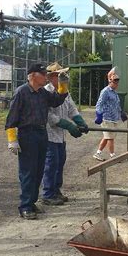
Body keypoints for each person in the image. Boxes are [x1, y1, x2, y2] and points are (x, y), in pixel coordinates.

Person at [5, 63, 69, 220]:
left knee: (39, 170)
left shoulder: (42, 92)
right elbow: (11, 119)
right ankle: (25, 206)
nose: (45, 76)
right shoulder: (21, 92)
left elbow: (57, 100)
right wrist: (12, 140)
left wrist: (63, 83)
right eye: (42, 73)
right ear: (32, 75)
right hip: (27, 135)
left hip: (41, 133)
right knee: (28, 172)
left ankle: (32, 202)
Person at [42, 62, 89, 206]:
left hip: (60, 136)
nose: (64, 78)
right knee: (51, 164)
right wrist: (68, 125)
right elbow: (49, 116)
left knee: (60, 162)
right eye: (60, 75)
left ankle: (56, 191)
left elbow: (71, 109)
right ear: (52, 77)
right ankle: (48, 194)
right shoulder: (46, 92)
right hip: (49, 135)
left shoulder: (65, 92)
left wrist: (80, 122)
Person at [93, 68, 127, 161]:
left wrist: (121, 113)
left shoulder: (114, 93)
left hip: (114, 118)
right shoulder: (105, 91)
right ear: (110, 81)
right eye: (115, 82)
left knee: (107, 136)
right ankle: (113, 156)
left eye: (117, 82)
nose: (116, 84)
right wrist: (99, 114)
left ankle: (98, 153)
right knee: (110, 137)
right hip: (106, 118)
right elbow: (99, 103)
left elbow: (116, 104)